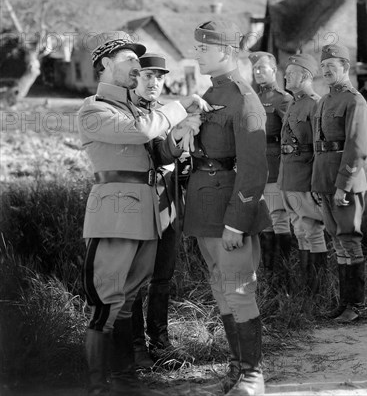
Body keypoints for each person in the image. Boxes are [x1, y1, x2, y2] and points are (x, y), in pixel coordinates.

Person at [79, 32, 205, 395]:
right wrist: (180, 105)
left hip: (148, 214)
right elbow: (140, 131)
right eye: (129, 61)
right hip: (115, 215)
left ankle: (124, 378)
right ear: (105, 65)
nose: (138, 67)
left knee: (129, 298)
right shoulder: (94, 108)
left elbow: (156, 153)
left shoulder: (136, 109)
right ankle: (98, 385)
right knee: (106, 302)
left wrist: (179, 138)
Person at [169, 20, 271, 396]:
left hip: (229, 211)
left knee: (239, 289)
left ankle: (253, 376)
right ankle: (236, 367)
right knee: (221, 289)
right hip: (204, 207)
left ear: (226, 52)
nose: (196, 53)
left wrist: (236, 223)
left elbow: (254, 170)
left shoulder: (245, 99)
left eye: (203, 48)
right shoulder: (211, 94)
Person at [129, 53, 191, 368]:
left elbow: (170, 156)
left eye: (160, 77)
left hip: (167, 201)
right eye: (148, 76)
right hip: (137, 204)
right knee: (136, 278)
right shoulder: (126, 112)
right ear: (135, 78)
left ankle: (160, 342)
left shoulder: (166, 113)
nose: (154, 83)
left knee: (163, 277)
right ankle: (137, 348)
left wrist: (183, 150)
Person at [312, 43, 367, 323]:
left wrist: (342, 185)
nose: (326, 71)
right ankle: (344, 303)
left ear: (346, 68)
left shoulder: (354, 100)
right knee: (337, 241)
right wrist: (319, 184)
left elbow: (357, 146)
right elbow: (318, 146)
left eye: (331, 67)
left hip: (345, 183)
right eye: (323, 67)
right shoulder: (323, 101)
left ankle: (356, 305)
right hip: (325, 180)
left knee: (349, 239)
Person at [278, 53, 327, 293]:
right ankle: (307, 288)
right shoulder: (294, 102)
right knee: (299, 230)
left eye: (291, 73)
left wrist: (317, 182)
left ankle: (318, 290)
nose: (285, 76)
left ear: (306, 75)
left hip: (306, 176)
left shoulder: (316, 103)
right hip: (289, 176)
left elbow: (319, 147)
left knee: (312, 230)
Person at [249, 51, 293, 284]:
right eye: (255, 69)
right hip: (256, 165)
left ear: (274, 71)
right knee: (263, 221)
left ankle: (283, 274)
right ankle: (268, 274)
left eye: (263, 68)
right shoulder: (252, 97)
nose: (258, 72)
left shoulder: (283, 99)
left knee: (278, 218)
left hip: (275, 165)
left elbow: (291, 134)